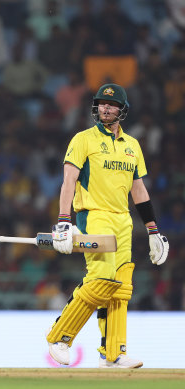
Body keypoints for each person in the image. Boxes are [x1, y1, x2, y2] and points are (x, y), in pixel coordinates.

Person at [47, 83, 169, 368]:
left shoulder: (132, 146)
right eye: (101, 103)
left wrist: (153, 230)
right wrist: (64, 221)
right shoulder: (83, 139)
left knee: (121, 286)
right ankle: (59, 337)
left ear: (122, 110)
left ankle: (113, 354)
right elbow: (68, 182)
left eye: (111, 105)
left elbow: (138, 190)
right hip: (94, 215)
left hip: (123, 220)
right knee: (102, 279)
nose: (105, 108)